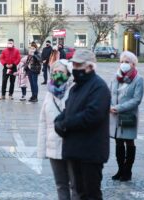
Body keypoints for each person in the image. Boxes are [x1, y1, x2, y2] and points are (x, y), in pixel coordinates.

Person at [54, 49, 111, 199]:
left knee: (91, 193)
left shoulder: (99, 87)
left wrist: (66, 124)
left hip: (90, 151)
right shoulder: (76, 86)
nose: (75, 68)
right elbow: (68, 109)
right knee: (80, 192)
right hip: (75, 149)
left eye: (79, 65)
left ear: (90, 67)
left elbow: (92, 115)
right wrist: (58, 121)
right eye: (74, 64)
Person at [37, 60, 79, 200]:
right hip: (53, 146)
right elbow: (43, 122)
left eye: (61, 72)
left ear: (68, 73)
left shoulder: (75, 90)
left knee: (76, 185)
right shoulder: (49, 93)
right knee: (60, 185)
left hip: (71, 146)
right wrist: (42, 150)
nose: (57, 75)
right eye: (54, 72)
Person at [109, 51, 144, 182]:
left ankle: (127, 171)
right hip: (114, 115)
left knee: (129, 142)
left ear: (133, 64)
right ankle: (120, 169)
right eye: (122, 61)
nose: (124, 64)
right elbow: (109, 93)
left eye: (127, 62)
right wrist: (109, 105)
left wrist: (117, 108)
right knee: (118, 142)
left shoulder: (138, 79)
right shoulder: (115, 77)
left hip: (128, 115)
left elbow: (136, 100)